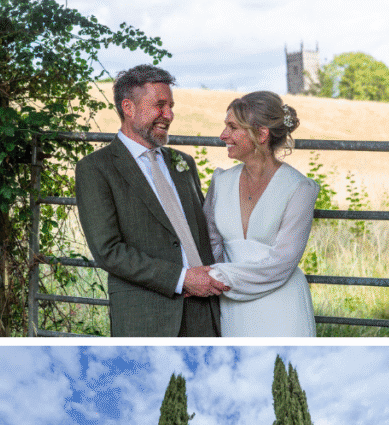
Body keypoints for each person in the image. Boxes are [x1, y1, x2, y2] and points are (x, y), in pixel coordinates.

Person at [75, 64, 225, 337]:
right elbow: (108, 250)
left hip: (205, 308)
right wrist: (181, 279)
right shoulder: (96, 169)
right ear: (128, 107)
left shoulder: (183, 163)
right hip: (148, 314)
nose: (168, 115)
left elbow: (202, 233)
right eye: (159, 105)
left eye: (171, 106)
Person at [203, 91, 319, 336]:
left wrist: (218, 277)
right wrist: (216, 282)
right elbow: (211, 243)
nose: (223, 135)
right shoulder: (221, 181)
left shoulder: (299, 188)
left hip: (282, 309)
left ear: (261, 134)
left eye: (233, 127)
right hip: (232, 306)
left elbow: (282, 262)